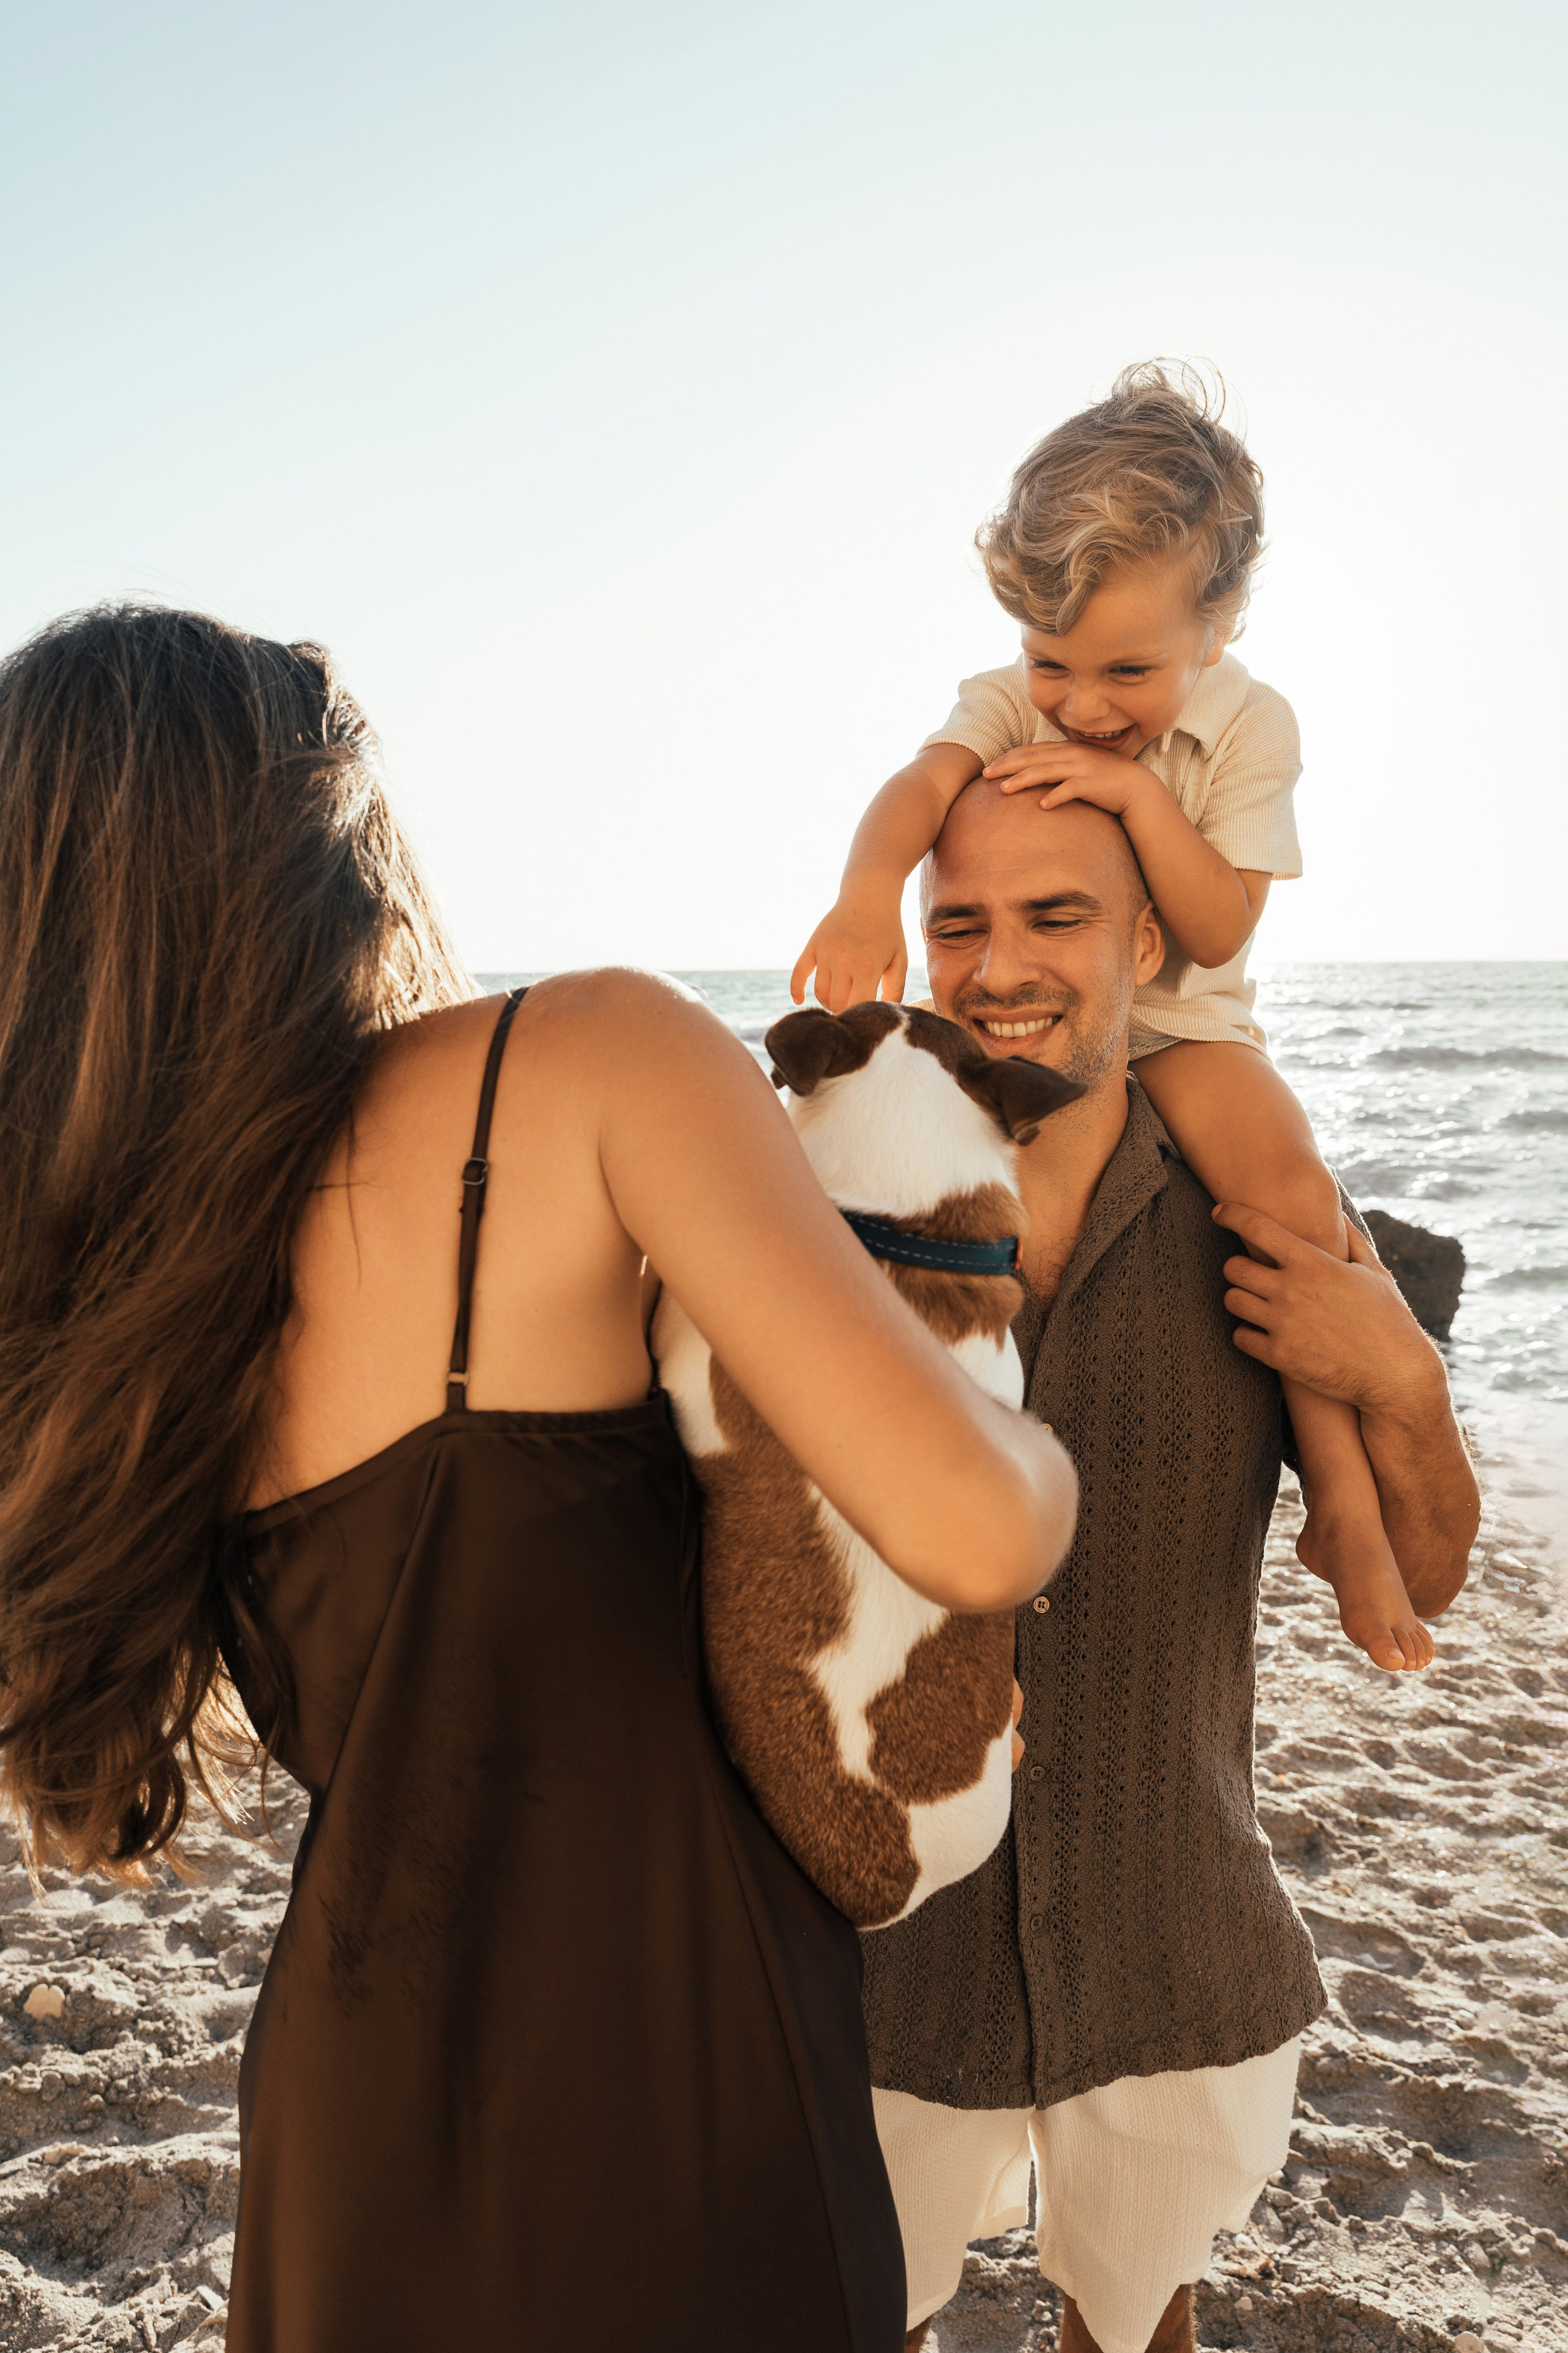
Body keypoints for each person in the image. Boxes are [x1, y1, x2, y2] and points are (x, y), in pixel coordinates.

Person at [0, 606, 1078, 2353]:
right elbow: (974, 1525)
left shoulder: (111, 1292)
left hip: (351, 2136)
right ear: (330, 872)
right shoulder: (580, 1062)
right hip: (685, 2088)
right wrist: (1032, 1436)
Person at [859, 780, 1478, 2353]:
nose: (999, 965)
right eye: (957, 923)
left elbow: (1421, 1573)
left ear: (1145, 943)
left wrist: (1401, 1380)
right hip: (875, 1940)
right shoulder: (837, 1212)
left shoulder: (1258, 1207)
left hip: (1169, 1919)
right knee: (854, 2313)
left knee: (1139, 2331)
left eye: (1053, 916)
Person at [792, 363, 1430, 1678]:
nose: (1080, 707)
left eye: (1127, 671)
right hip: (1039, 1028)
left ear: (1220, 624)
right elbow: (918, 787)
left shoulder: (1250, 727)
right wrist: (865, 893)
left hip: (1184, 1021)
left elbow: (1216, 929)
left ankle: (1343, 1509)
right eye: (1052, 663)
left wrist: (1134, 797)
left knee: (1286, 1201)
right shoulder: (1010, 698)